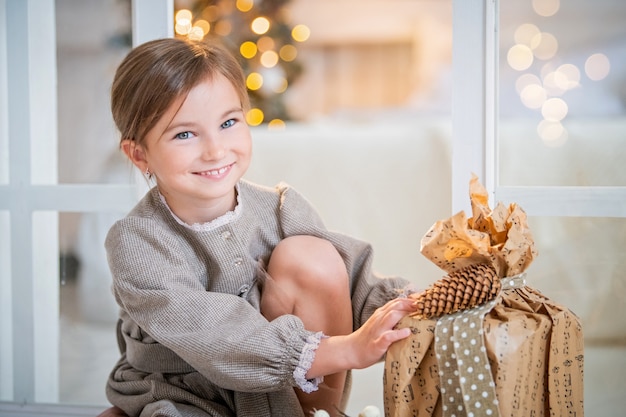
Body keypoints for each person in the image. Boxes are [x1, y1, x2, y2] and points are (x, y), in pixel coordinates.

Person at [102, 37, 415, 417]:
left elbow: (352, 284)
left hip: (284, 395)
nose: (216, 150)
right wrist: (345, 349)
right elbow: (212, 333)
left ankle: (319, 413)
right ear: (139, 153)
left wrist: (412, 308)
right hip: (184, 392)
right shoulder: (137, 241)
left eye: (229, 122)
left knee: (313, 255)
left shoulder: (280, 209)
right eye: (185, 134)